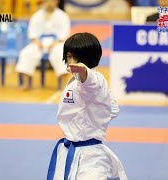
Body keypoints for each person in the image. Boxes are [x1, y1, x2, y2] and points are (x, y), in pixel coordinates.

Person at [47, 32, 128, 180]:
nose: (67, 58)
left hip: (91, 158)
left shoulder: (94, 79)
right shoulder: (74, 81)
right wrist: (95, 116)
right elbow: (113, 109)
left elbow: (88, 81)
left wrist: (82, 70)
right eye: (68, 54)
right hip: (69, 152)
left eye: (71, 54)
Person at [15, 0, 71, 90]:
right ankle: (25, 84)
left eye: (52, 1)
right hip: (39, 43)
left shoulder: (62, 16)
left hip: (56, 44)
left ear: (56, 2)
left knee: (63, 55)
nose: (49, 3)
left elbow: (64, 34)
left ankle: (64, 86)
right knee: (25, 53)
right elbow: (32, 33)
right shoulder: (37, 16)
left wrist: (55, 43)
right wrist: (37, 42)